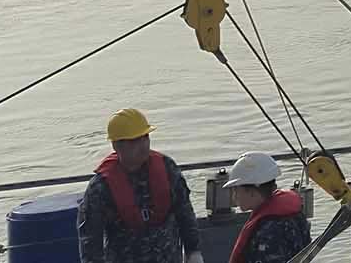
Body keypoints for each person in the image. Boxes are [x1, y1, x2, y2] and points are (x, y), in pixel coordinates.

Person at [78, 110, 201, 263]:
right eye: (134, 141)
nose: (143, 145)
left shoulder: (167, 168)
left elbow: (184, 211)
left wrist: (193, 250)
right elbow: (91, 239)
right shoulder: (101, 188)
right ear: (116, 145)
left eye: (145, 137)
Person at [219, 154, 309, 263]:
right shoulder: (292, 215)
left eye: (236, 190)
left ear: (252, 192)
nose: (234, 196)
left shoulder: (270, 232)